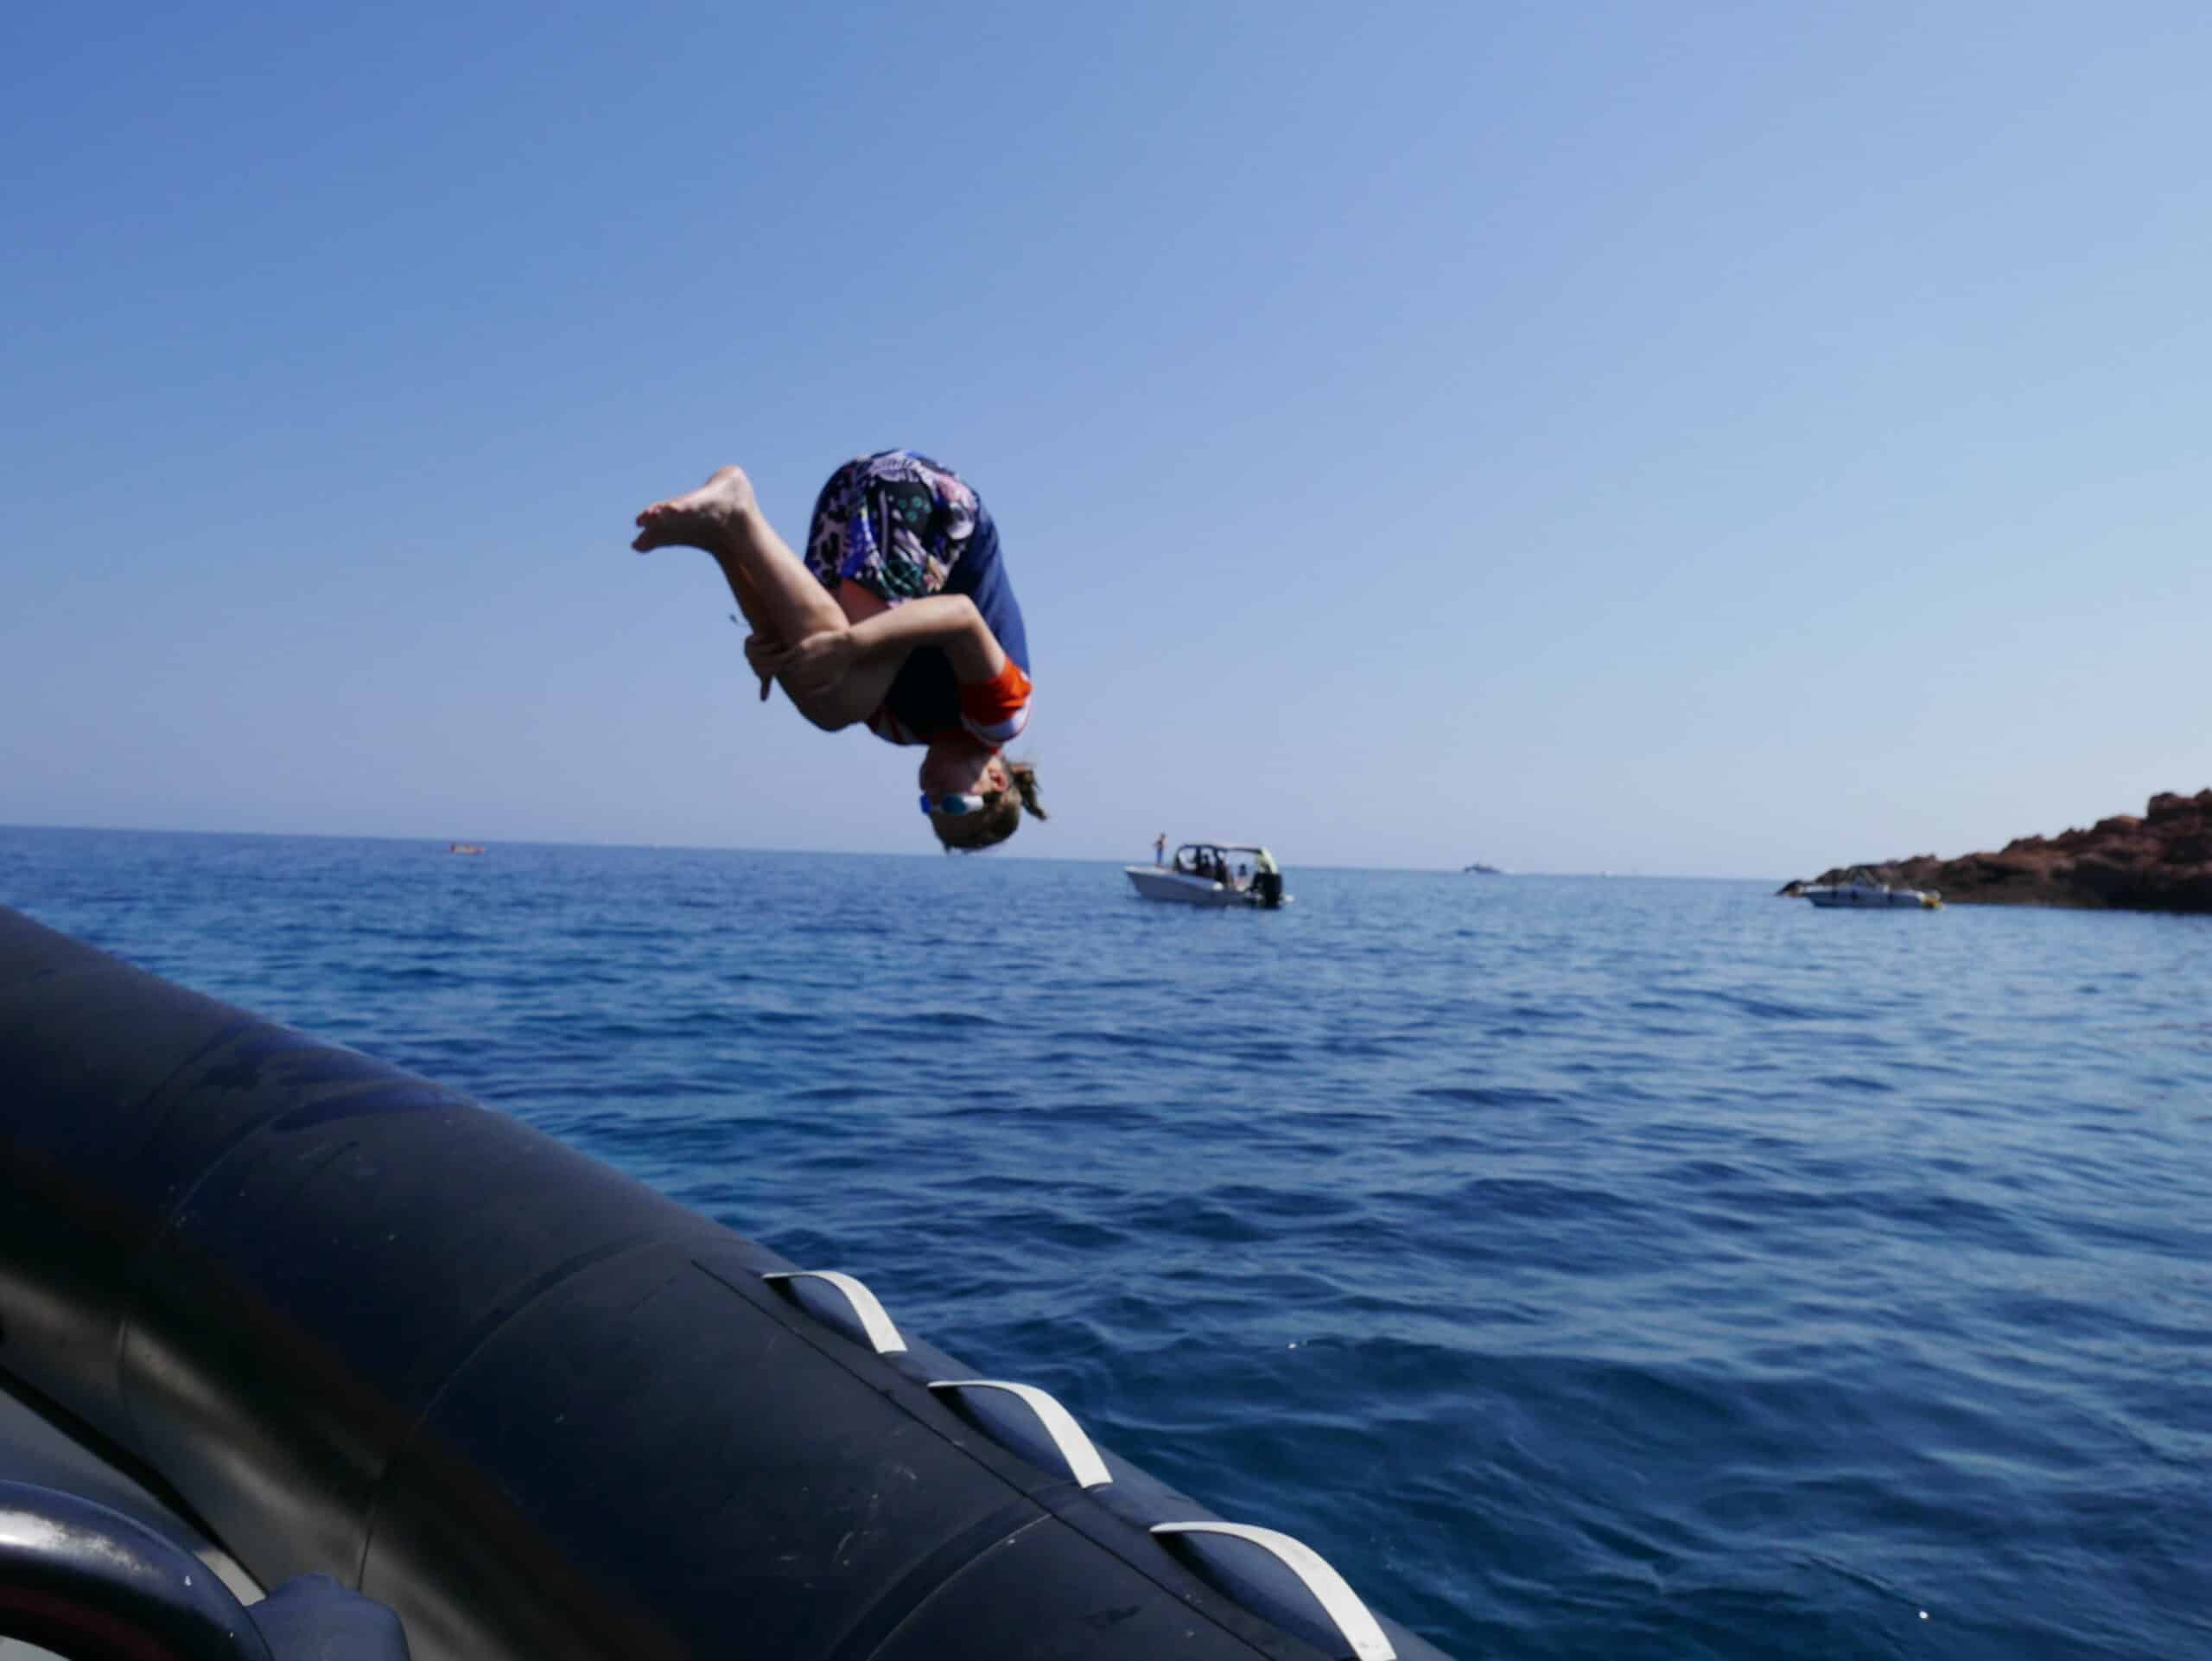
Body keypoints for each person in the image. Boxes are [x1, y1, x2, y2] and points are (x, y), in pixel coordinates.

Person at [633, 453, 1045, 851]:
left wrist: (773, 654)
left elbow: (818, 644)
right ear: (996, 780)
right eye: (953, 803)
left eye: (928, 807)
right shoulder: (1000, 714)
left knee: (827, 700)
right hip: (930, 501)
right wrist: (850, 645)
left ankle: (723, 540)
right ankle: (734, 516)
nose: (931, 793)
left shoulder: (898, 728)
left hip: (848, 496)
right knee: (841, 695)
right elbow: (961, 616)